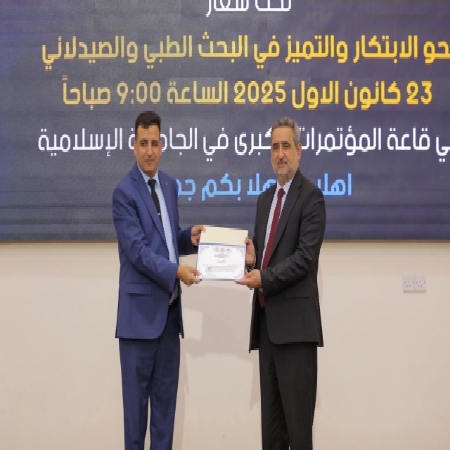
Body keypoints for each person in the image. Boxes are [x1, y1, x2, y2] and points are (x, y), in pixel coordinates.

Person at [112, 110, 204, 450]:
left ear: (162, 145)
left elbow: (164, 240)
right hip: (138, 322)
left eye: (154, 143)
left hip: (168, 318)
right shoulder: (124, 193)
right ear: (134, 146)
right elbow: (138, 251)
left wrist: (187, 238)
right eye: (143, 143)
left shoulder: (169, 185)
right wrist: (177, 271)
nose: (149, 151)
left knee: (165, 417)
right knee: (136, 421)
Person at [236, 116, 326, 450]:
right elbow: (266, 256)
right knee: (271, 435)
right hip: (267, 330)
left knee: (298, 434)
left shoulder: (312, 197)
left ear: (299, 151)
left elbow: (304, 259)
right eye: (274, 147)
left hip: (297, 332)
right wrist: (252, 260)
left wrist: (264, 277)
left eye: (286, 146)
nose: (280, 154)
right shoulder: (265, 200)